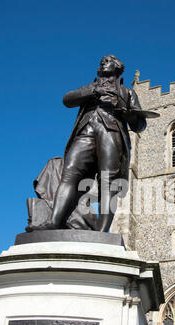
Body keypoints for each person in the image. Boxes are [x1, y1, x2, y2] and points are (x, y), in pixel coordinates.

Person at [28, 55, 146, 232]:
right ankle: (54, 221)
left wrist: (125, 112)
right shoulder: (92, 86)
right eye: (102, 61)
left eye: (107, 60)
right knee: (69, 174)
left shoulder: (127, 92)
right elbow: (67, 99)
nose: (103, 62)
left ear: (117, 67)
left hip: (111, 133)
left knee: (109, 182)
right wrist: (94, 92)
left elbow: (140, 124)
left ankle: (103, 232)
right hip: (86, 131)